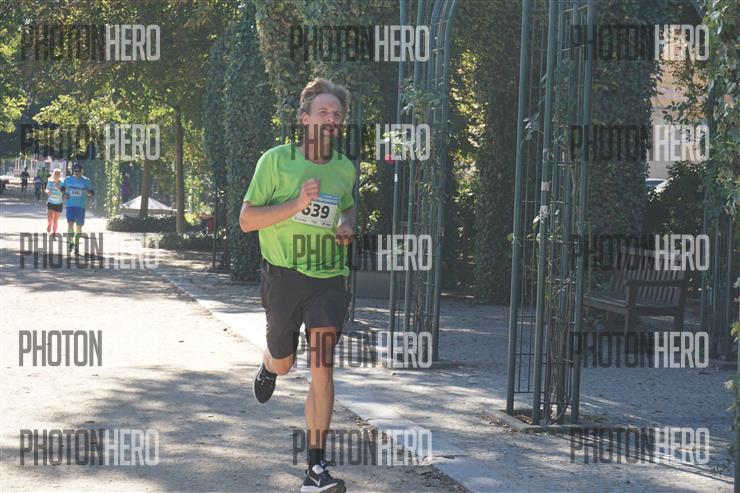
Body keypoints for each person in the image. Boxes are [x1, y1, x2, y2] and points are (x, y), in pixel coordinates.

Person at [240, 78, 355, 493]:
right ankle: (269, 362)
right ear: (304, 119)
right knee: (285, 363)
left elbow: (347, 208)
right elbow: (247, 220)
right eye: (323, 111)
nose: (331, 118)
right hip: (283, 277)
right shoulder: (275, 161)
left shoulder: (344, 168)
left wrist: (346, 225)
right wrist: (296, 204)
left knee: (323, 366)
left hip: (328, 279)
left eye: (337, 114)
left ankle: (315, 469)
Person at [61, 163, 94, 254]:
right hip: (70, 205)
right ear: (73, 171)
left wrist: (90, 194)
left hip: (81, 206)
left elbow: (91, 191)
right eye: (76, 171)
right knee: (70, 223)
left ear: (82, 171)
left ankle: (76, 244)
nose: (77, 173)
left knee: (79, 227)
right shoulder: (68, 179)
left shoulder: (86, 181)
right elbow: (62, 187)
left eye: (79, 171)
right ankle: (71, 242)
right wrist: (64, 194)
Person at [45, 168, 64, 234]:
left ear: (60, 175)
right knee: (50, 219)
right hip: (50, 203)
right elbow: (47, 189)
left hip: (59, 204)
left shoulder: (62, 183)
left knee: (55, 221)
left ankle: (54, 234)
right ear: (53, 174)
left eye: (58, 174)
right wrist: (47, 192)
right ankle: (49, 224)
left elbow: (63, 193)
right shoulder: (50, 182)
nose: (56, 175)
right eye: (55, 174)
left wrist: (58, 187)